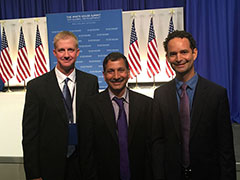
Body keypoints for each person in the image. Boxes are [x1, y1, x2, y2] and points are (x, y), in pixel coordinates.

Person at [152, 30, 236, 180]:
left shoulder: (216, 94)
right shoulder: (160, 95)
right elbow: (158, 143)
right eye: (173, 54)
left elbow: (225, 148)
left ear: (194, 53)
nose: (179, 58)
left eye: (184, 52)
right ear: (167, 58)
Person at [22, 31, 99, 180]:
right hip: (50, 167)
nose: (66, 55)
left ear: (77, 53)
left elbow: (95, 127)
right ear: (54, 53)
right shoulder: (36, 87)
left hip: (83, 165)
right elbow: (30, 135)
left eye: (70, 50)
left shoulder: (90, 82)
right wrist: (33, 174)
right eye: (61, 50)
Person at [78, 52, 152, 180]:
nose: (116, 76)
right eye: (110, 71)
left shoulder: (147, 104)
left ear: (128, 73)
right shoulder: (90, 107)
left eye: (121, 70)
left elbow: (151, 150)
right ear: (104, 75)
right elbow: (86, 153)